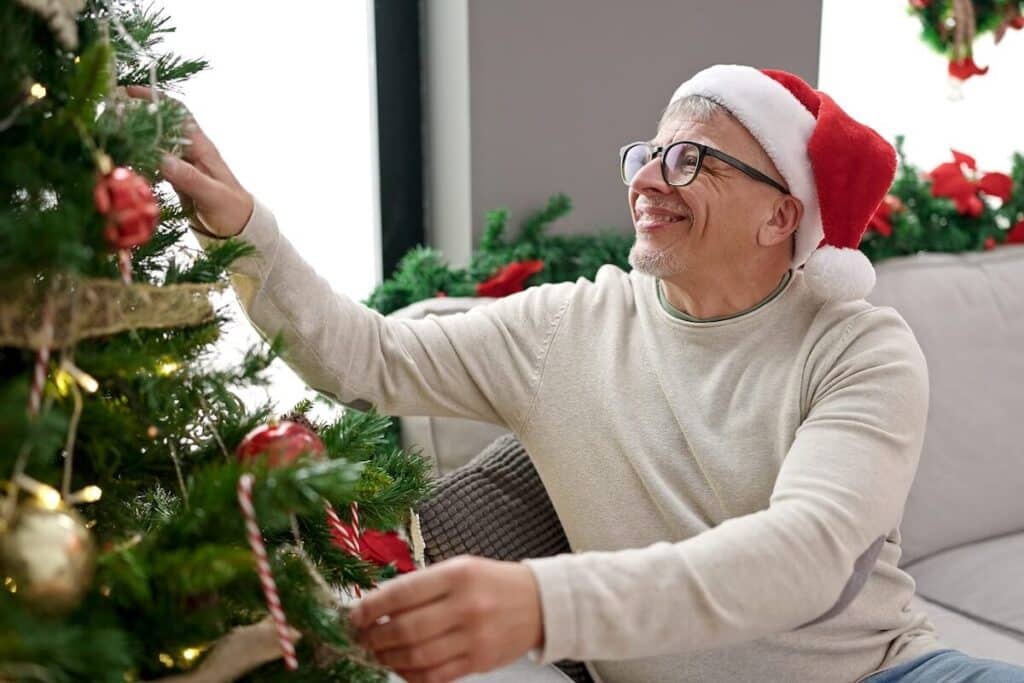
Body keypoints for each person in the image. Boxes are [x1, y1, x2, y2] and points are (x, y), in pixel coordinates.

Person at [135, 64, 1024, 683]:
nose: (648, 180)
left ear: (780, 215)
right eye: (647, 153)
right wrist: (244, 227)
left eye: (692, 160)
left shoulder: (859, 348)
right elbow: (363, 358)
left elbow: (803, 555)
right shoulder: (568, 325)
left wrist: (539, 600)